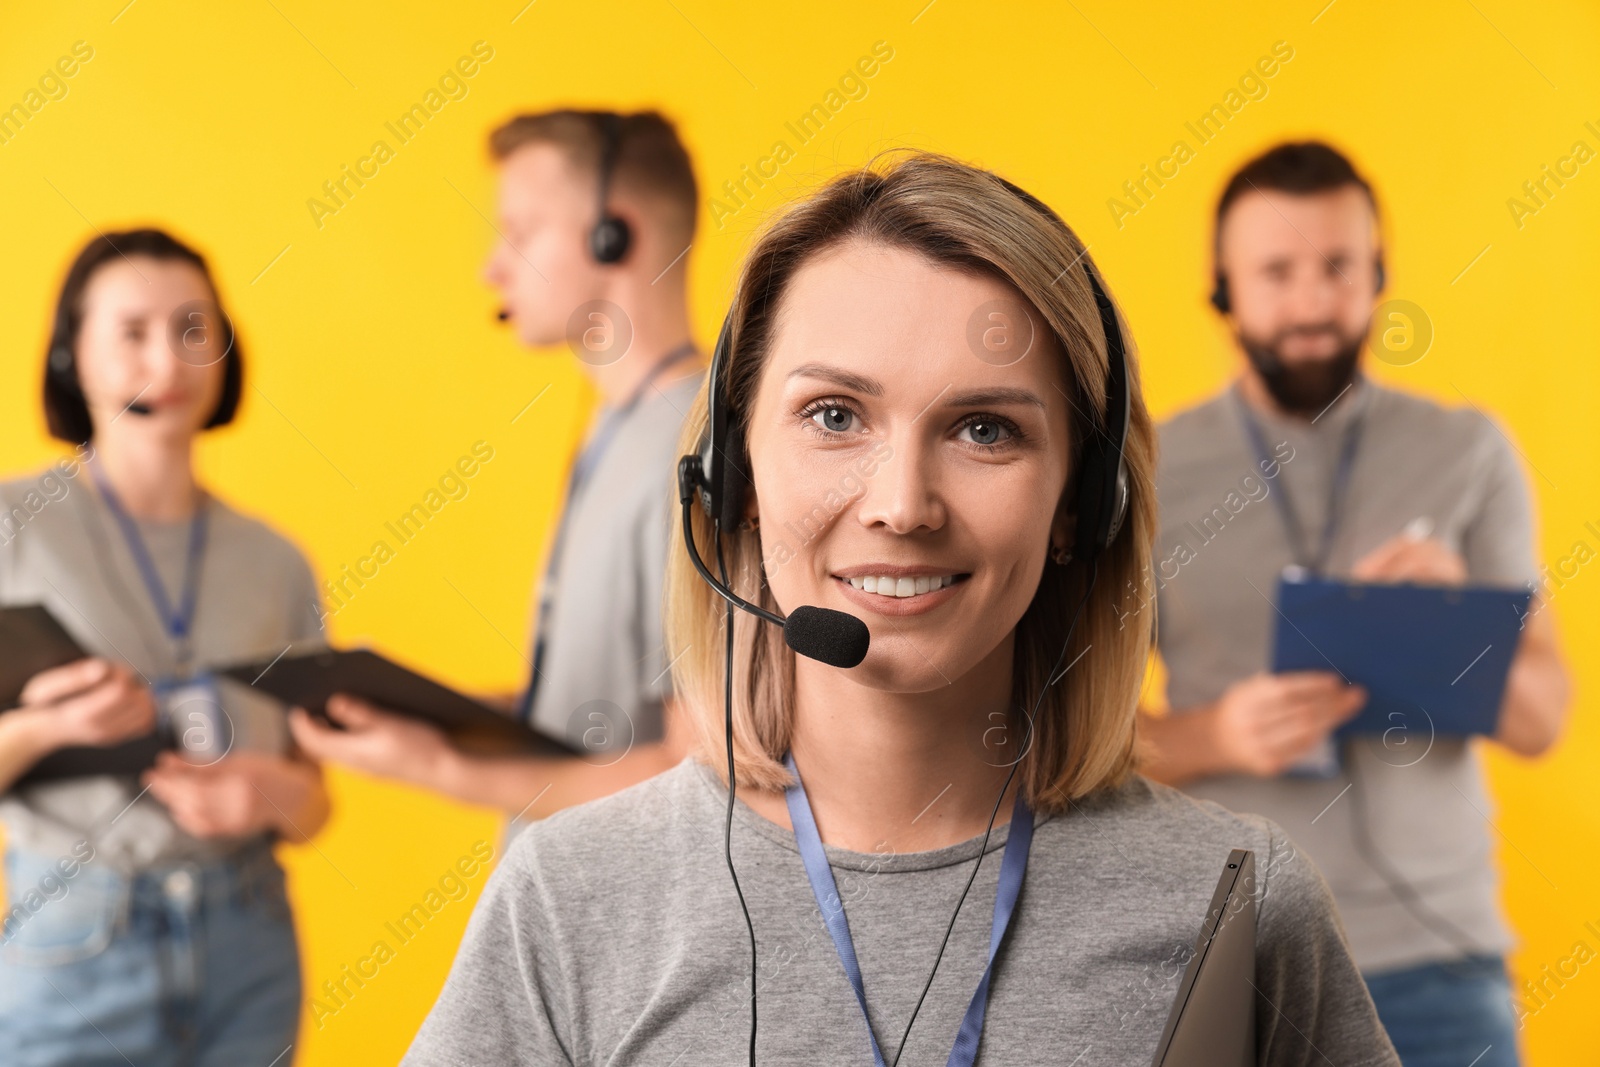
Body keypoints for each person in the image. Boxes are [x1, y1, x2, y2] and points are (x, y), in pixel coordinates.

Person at [399, 152, 1399, 1065]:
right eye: (834, 416)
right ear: (730, 476)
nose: (901, 504)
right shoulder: (572, 898)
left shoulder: (1241, 899)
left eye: (983, 428)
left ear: (1081, 505)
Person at [1137, 142, 1570, 1065]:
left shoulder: (1468, 451)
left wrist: (1467, 613)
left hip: (1442, 962)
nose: (1309, 303)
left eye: (1337, 267)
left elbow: (1543, 721)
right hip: (1236, 957)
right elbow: (1071, 737)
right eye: (1276, 271)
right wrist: (1216, 735)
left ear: (1378, 277)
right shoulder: (1152, 472)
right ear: (1223, 289)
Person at [290, 110, 703, 821]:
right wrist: (446, 720)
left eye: (520, 233)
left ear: (615, 234)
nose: (492, 266)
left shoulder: (694, 448)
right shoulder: (616, 426)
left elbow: (695, 767)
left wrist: (441, 766)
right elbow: (596, 720)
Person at [0, 229, 330, 1066]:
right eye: (133, 330)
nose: (169, 359)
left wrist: (268, 791)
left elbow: (316, 804)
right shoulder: (13, 531)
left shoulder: (275, 559)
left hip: (249, 937)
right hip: (77, 934)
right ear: (73, 353)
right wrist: (49, 730)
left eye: (193, 328)